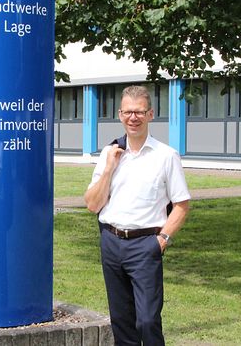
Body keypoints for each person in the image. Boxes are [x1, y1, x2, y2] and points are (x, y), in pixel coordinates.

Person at [84, 85, 191, 346]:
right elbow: (92, 204)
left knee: (147, 320)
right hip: (111, 242)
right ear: (120, 114)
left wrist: (163, 239)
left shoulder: (166, 156)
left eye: (140, 112)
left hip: (146, 245)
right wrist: (109, 168)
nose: (134, 117)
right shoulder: (110, 153)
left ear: (150, 114)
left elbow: (181, 204)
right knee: (121, 320)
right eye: (128, 112)